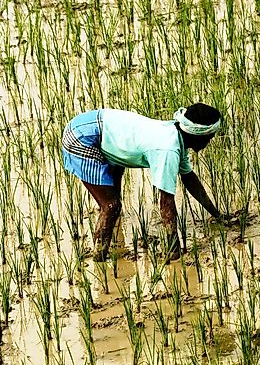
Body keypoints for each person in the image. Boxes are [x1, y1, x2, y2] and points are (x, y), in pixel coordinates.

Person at [62, 103, 233, 262]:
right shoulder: (168, 149)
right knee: (112, 206)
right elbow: (166, 202)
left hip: (95, 124)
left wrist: (216, 214)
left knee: (114, 186)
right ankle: (99, 258)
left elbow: (190, 179)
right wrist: (174, 250)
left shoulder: (176, 133)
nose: (210, 141)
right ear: (197, 136)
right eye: (209, 137)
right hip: (82, 138)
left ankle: (110, 232)